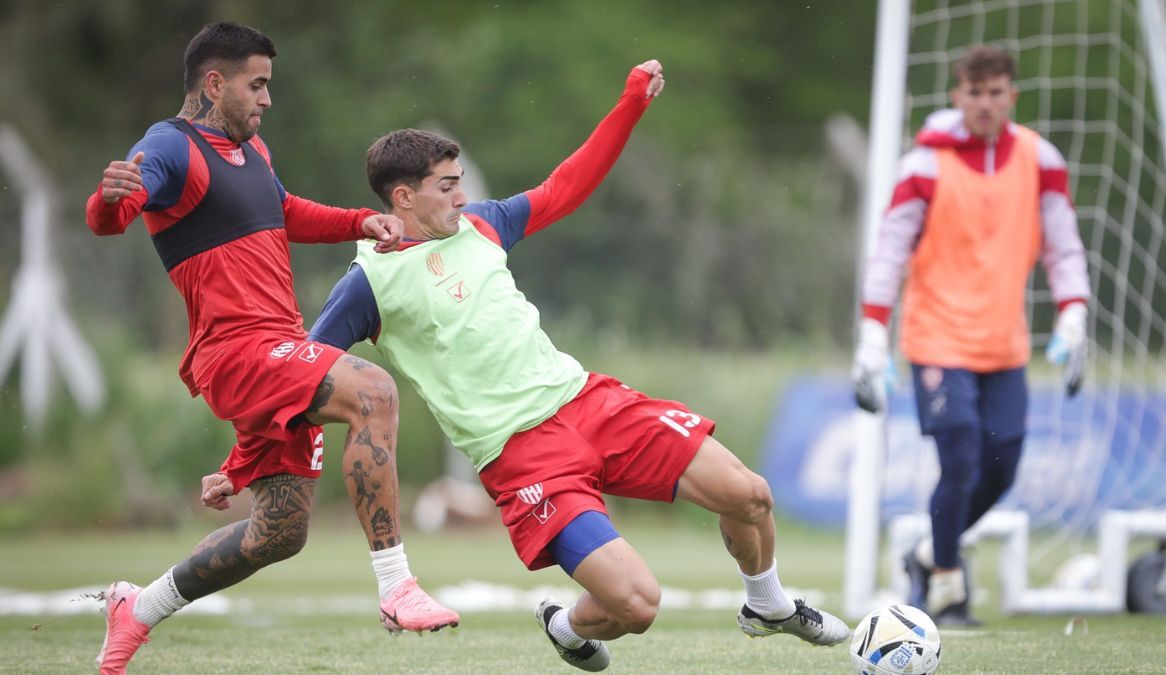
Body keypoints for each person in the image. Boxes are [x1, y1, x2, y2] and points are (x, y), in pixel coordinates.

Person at [259, 59, 850, 670]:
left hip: (587, 402)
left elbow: (569, 184)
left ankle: (768, 604)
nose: (462, 196)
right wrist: (243, 460)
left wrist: (631, 104)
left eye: (461, 181)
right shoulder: (369, 282)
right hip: (522, 457)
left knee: (749, 494)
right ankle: (567, 625)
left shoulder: (484, 224)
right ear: (402, 197)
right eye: (446, 186)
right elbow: (304, 377)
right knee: (638, 606)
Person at [85, 22, 457, 674]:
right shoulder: (170, 146)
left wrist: (358, 221)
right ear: (214, 83)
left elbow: (283, 212)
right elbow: (121, 209)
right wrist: (106, 204)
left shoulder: (252, 154)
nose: (267, 99)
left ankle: (136, 608)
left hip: (278, 349)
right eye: (257, 85)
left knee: (278, 532)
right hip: (234, 351)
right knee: (373, 390)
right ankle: (397, 586)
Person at [851, 45, 1090, 626]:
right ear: (957, 97)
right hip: (936, 338)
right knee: (959, 455)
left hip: (1004, 343)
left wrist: (1074, 313)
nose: (985, 103)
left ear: (1012, 95)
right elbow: (889, 255)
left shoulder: (1041, 159)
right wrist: (872, 336)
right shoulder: (925, 166)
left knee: (1001, 467)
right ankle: (950, 590)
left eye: (996, 92)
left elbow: (1062, 245)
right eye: (974, 93)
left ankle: (930, 551)